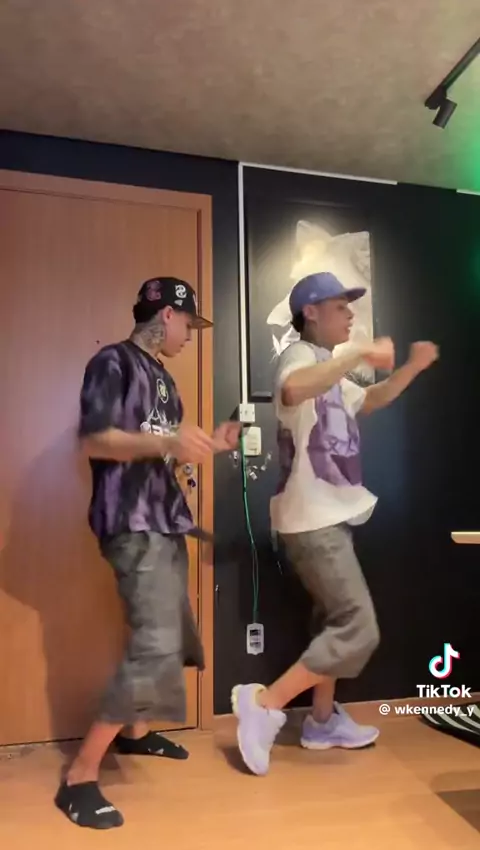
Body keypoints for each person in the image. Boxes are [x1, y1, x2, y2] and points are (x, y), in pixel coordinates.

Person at [231, 271, 438, 776]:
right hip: (312, 520)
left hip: (328, 516)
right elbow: (294, 388)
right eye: (341, 307)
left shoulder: (329, 370)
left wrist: (411, 367)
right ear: (311, 312)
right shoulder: (299, 357)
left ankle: (322, 722)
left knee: (331, 622)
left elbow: (372, 399)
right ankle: (263, 704)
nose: (349, 316)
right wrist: (359, 353)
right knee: (357, 627)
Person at [55, 277, 240, 829]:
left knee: (168, 634)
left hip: (164, 523)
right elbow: (95, 439)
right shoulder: (111, 363)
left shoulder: (166, 380)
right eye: (189, 324)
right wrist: (167, 442)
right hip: (130, 524)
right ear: (166, 315)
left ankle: (134, 733)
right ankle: (80, 776)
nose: (191, 336)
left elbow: (166, 450)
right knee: (156, 644)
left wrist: (206, 447)